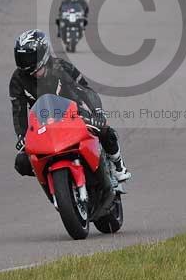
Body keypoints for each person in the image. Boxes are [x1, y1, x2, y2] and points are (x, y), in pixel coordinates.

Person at [10, 29, 131, 181]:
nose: (26, 63)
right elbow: (18, 110)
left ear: (43, 54)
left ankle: (118, 165)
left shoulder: (62, 67)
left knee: (104, 130)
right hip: (43, 122)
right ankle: (51, 176)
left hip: (74, 113)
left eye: (29, 57)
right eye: (22, 58)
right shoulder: (18, 79)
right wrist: (22, 136)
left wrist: (97, 111)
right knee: (22, 162)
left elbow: (85, 90)